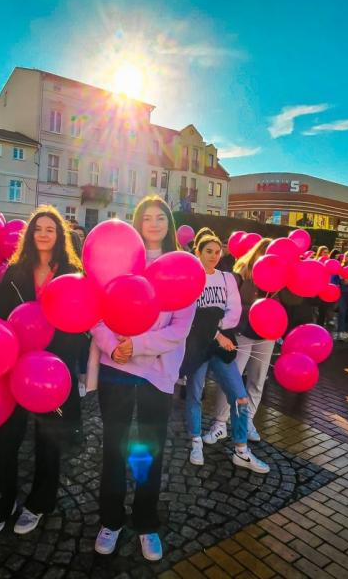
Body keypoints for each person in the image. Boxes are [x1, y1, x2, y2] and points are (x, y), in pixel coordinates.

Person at [90, 195, 195, 562]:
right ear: (137, 223)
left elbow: (179, 328)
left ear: (168, 223)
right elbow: (96, 311)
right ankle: (111, 520)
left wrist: (136, 345)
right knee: (113, 450)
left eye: (160, 217)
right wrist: (112, 345)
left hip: (157, 375)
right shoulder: (118, 261)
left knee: (150, 452)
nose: (153, 223)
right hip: (116, 371)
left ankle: (146, 522)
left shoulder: (183, 266)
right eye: (146, 217)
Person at [0, 206, 88, 536]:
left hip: (54, 370)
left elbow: (80, 322)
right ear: (30, 234)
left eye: (50, 229)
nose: (44, 234)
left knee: (49, 439)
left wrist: (63, 360)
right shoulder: (16, 271)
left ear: (59, 236)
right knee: (6, 439)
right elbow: (1, 316)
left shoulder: (72, 271)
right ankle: (6, 499)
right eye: (38, 228)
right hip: (15, 365)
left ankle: (40, 502)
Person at [181, 233, 268, 473]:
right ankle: (196, 440)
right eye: (208, 251)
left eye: (218, 252)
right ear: (198, 252)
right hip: (198, 346)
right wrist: (216, 331)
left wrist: (217, 330)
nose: (214, 256)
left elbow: (234, 311)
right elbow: (190, 315)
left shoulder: (227, 278)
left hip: (222, 346)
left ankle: (241, 449)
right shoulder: (191, 277)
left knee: (239, 396)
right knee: (195, 394)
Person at [205, 237, 277, 448]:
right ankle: (219, 423)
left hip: (268, 335)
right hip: (244, 332)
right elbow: (232, 305)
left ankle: (247, 422)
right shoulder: (242, 275)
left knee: (257, 379)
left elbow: (292, 302)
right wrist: (255, 308)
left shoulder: (280, 277)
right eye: (264, 253)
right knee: (231, 378)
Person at [334, 251, 348, 342]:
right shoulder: (341, 266)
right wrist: (343, 280)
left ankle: (347, 330)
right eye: (346, 256)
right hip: (343, 292)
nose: (346, 257)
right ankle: (340, 332)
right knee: (342, 311)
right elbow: (338, 279)